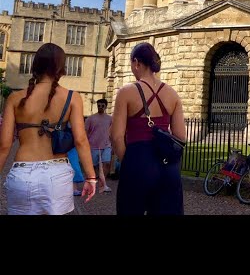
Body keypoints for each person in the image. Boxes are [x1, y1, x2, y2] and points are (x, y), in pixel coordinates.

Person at [0, 43, 96, 214]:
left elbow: (4, 146)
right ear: (61, 68)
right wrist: (91, 177)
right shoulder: (73, 97)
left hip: (22, 173)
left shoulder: (14, 98)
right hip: (57, 174)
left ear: (35, 65)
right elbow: (81, 140)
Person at [110, 42, 186, 215]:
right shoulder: (172, 94)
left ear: (136, 62)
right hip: (167, 165)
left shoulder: (127, 92)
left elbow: (116, 137)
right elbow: (180, 137)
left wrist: (128, 161)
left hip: (137, 160)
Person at [85, 98, 113, 193]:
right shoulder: (90, 118)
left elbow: (112, 131)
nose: (100, 107)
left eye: (102, 106)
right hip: (93, 145)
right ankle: (94, 182)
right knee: (94, 166)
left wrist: (112, 143)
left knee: (107, 163)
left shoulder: (110, 119)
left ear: (106, 106)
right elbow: (85, 132)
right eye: (99, 105)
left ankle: (103, 183)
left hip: (106, 145)